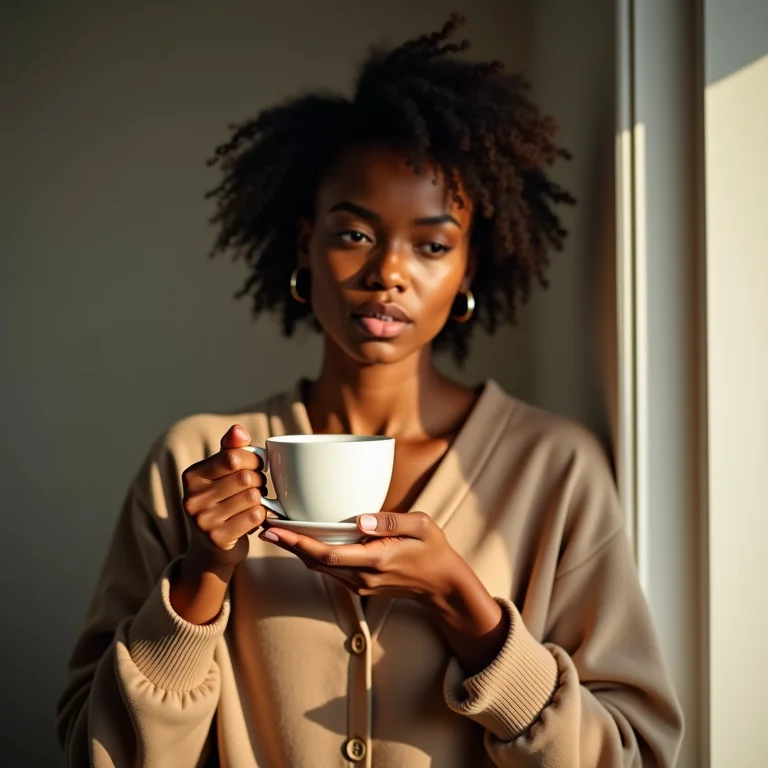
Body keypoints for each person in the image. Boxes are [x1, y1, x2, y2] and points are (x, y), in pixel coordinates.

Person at [57, 15, 683, 768]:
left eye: (431, 244)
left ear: (469, 268)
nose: (388, 272)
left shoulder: (555, 469)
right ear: (305, 243)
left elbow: (633, 755)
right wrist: (201, 578)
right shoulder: (194, 461)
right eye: (355, 233)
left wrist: (467, 610)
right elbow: (95, 752)